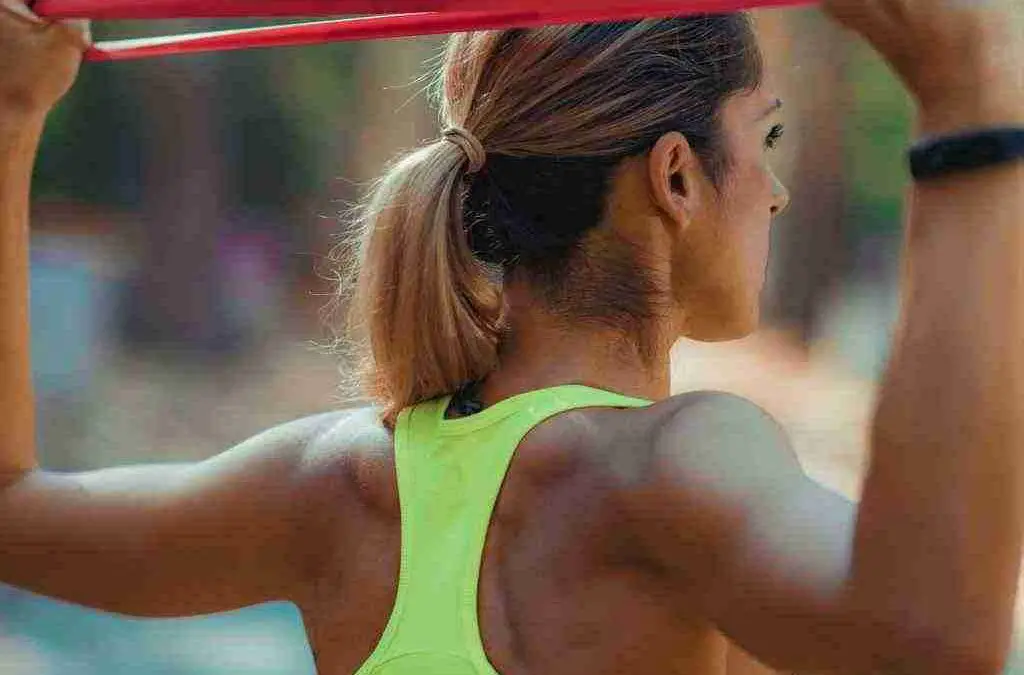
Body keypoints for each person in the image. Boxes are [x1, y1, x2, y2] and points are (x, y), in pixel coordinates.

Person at [1, 1, 1022, 674]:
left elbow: (11, 510)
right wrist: (970, 91)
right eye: (766, 138)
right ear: (674, 179)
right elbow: (929, 641)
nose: (778, 189)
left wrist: (11, 115)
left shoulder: (333, 482)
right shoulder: (672, 468)